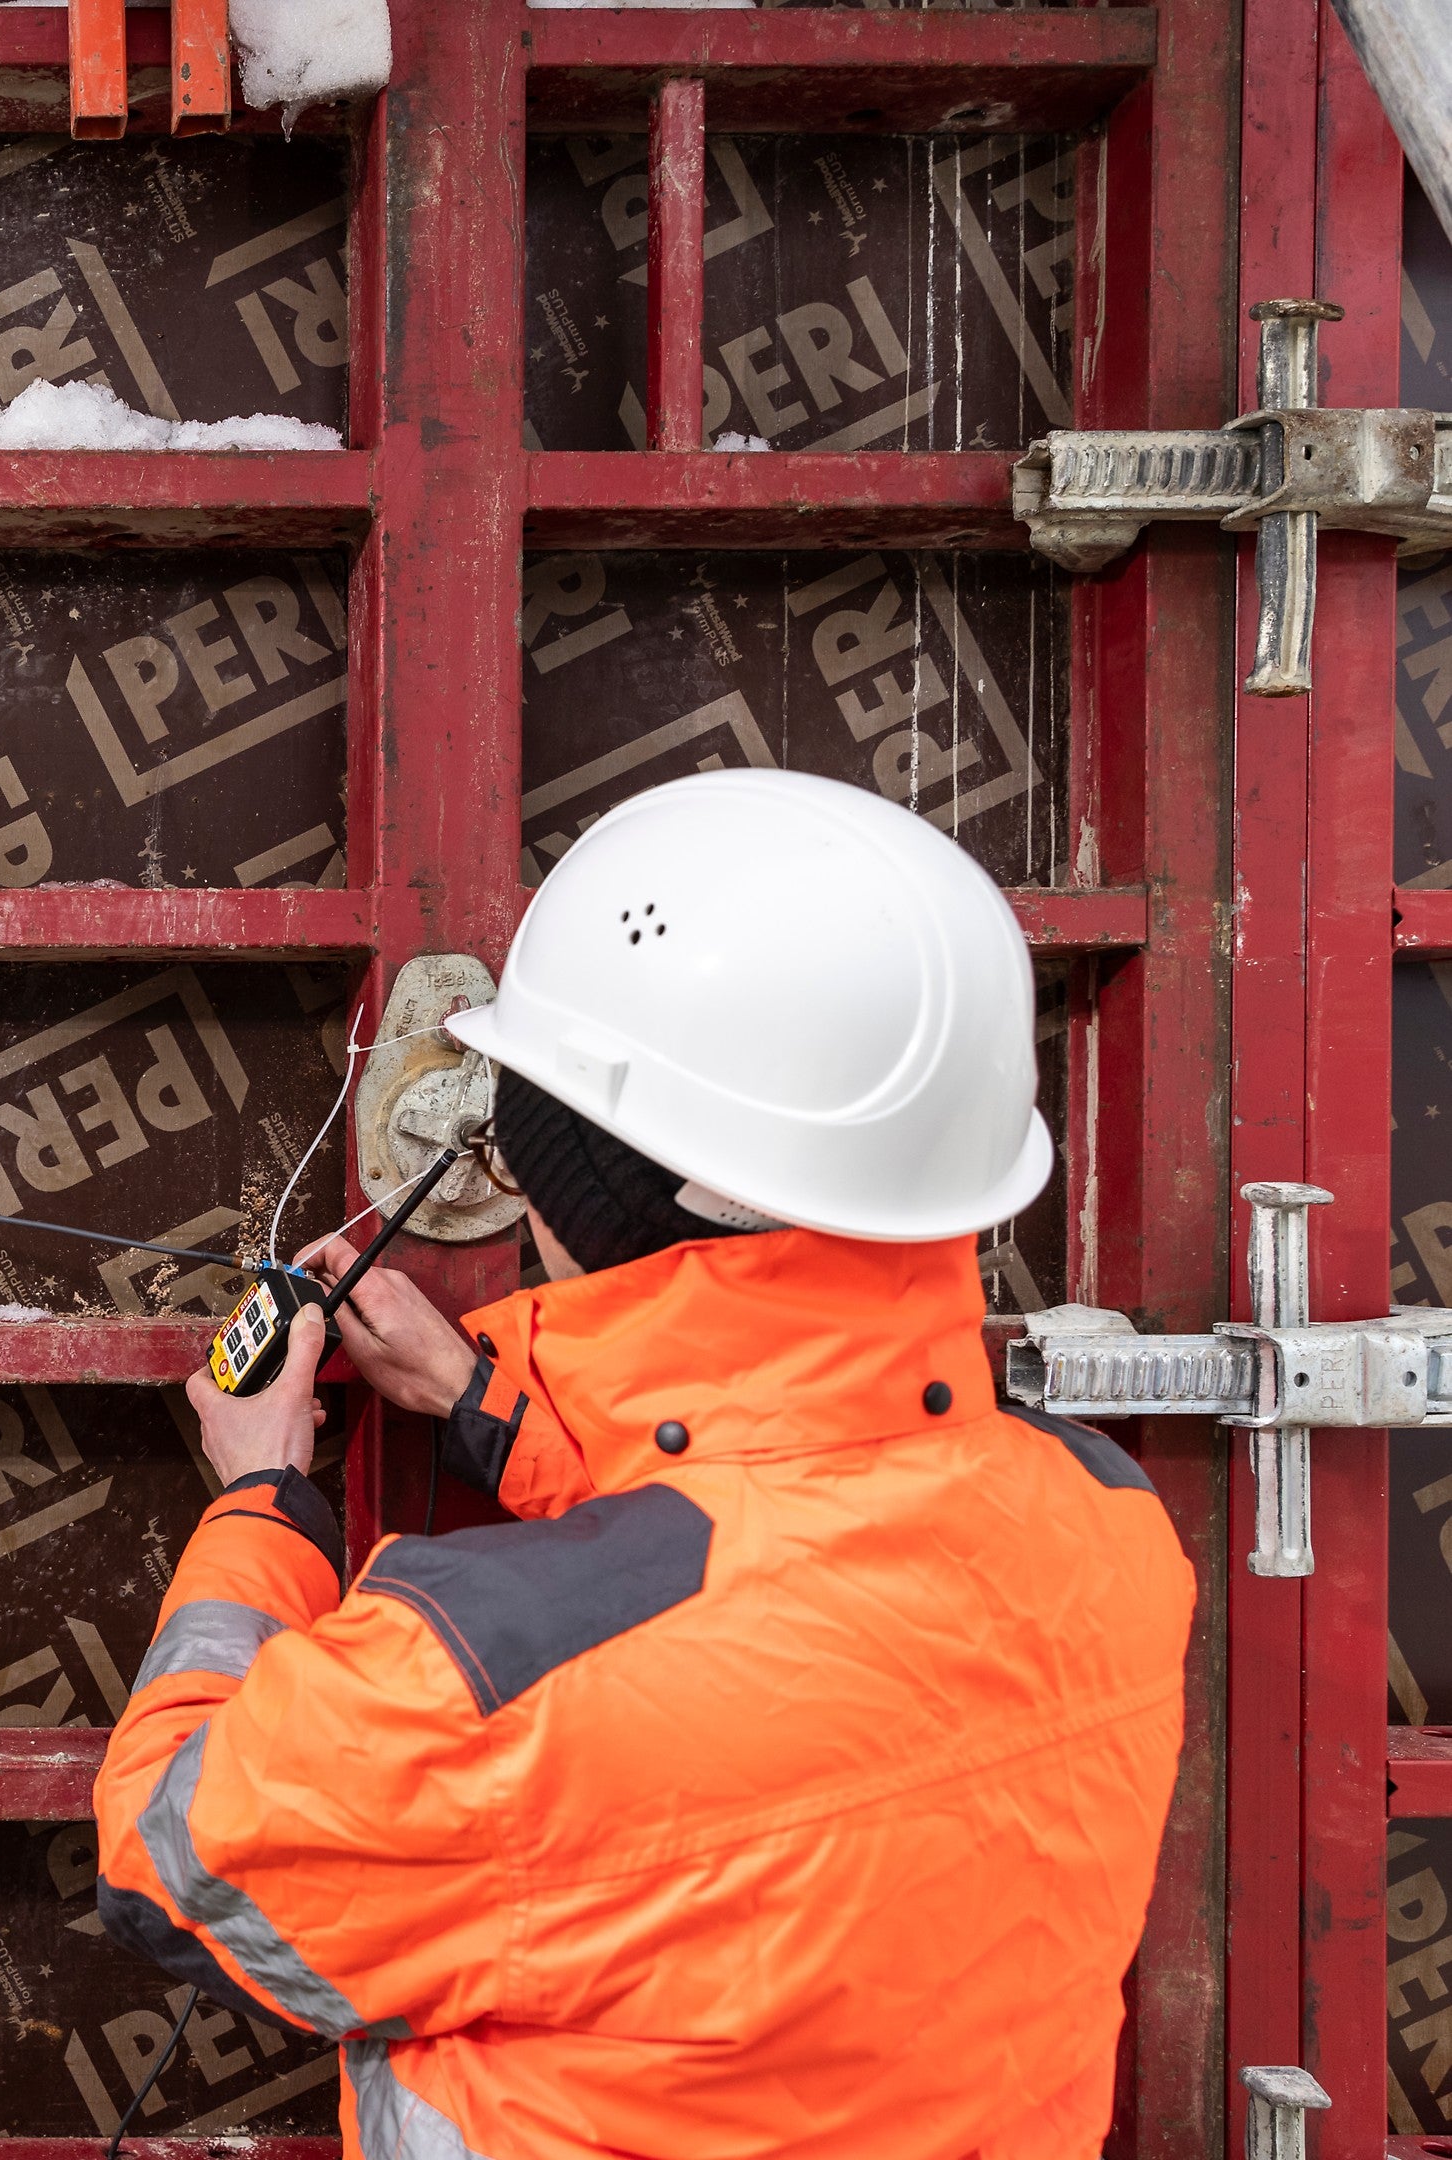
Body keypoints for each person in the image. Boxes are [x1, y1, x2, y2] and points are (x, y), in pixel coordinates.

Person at [92, 770, 1192, 2157]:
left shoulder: (471, 1674)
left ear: (569, 1171)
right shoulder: (1101, 1517)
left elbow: (173, 1866)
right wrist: (482, 1404)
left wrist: (261, 1501)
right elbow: (774, 1576)